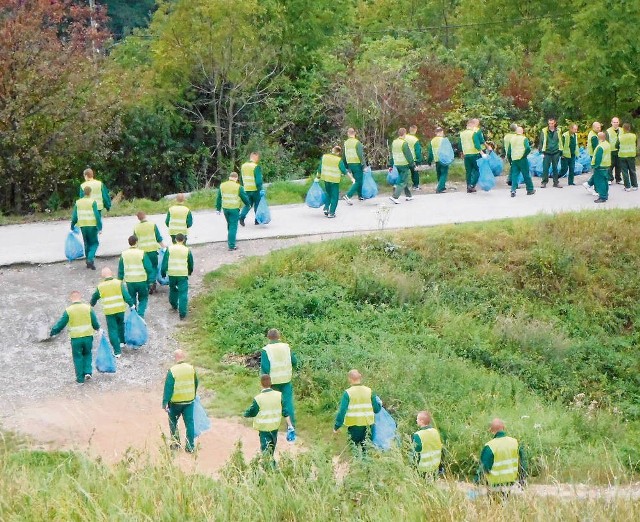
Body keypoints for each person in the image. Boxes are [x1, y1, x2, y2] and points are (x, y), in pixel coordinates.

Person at [49, 290, 100, 384]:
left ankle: (80, 379)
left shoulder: (68, 310)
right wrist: (97, 328)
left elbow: (61, 324)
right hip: (88, 336)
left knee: (77, 357)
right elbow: (95, 322)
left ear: (71, 298)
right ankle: (88, 372)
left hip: (76, 338)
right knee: (88, 354)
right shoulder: (87, 308)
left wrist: (52, 332)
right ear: (80, 297)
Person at [243, 374, 294, 465]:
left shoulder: (258, 398)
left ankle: (271, 469)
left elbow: (252, 412)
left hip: (264, 429)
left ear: (261, 384)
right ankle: (270, 467)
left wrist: (245, 414)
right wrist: (290, 426)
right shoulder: (279, 395)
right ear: (271, 383)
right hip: (275, 427)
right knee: (272, 448)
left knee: (266, 451)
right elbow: (285, 412)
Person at [260, 329, 298, 441]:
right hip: (286, 379)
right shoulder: (286, 347)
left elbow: (265, 368)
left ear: (268, 337)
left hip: (272, 381)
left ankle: (271, 426)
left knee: (272, 403)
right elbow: (294, 361)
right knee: (288, 403)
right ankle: (291, 426)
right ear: (279, 336)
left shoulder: (266, 350)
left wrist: (264, 382)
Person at [90, 267, 134, 358]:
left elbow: (95, 297)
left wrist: (91, 304)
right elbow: (126, 295)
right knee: (121, 325)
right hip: (120, 309)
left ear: (102, 276)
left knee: (112, 330)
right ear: (112, 273)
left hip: (109, 311)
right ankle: (122, 342)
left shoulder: (100, 286)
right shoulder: (118, 283)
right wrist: (131, 304)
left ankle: (117, 352)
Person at [333, 369, 381, 450]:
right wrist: (380, 404)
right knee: (366, 449)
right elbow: (376, 409)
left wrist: (336, 426)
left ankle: (356, 461)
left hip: (354, 427)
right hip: (368, 426)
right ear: (360, 377)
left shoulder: (348, 393)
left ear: (349, 379)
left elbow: (342, 411)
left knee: (355, 449)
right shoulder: (369, 391)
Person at [474, 418, 526, 491]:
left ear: (491, 431)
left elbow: (483, 468)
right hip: (510, 484)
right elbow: (522, 464)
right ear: (504, 428)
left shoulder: (489, 446)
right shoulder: (515, 443)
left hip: (494, 486)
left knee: (494, 502)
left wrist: (476, 482)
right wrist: (522, 480)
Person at [162, 349, 198, 453]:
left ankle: (175, 444)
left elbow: (168, 388)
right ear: (184, 356)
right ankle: (190, 447)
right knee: (190, 424)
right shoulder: (191, 368)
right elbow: (196, 383)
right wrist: (193, 395)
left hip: (175, 403)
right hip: (189, 402)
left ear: (175, 358)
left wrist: (165, 403)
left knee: (173, 422)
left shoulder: (172, 370)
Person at [160, 233, 193, 320]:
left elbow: (165, 262)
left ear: (175, 240)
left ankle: (174, 305)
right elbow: (190, 263)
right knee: (183, 293)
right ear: (183, 240)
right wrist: (189, 271)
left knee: (173, 289)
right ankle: (182, 314)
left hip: (172, 274)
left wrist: (163, 272)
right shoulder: (187, 250)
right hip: (182, 274)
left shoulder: (169, 249)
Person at [118, 235, 153, 317]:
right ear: (137, 242)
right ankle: (140, 315)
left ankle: (134, 315)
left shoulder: (124, 254)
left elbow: (121, 270)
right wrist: (150, 281)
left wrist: (119, 282)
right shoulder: (142, 253)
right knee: (143, 298)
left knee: (132, 298)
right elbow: (148, 268)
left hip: (130, 281)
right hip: (141, 280)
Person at [216, 172, 251, 250]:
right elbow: (244, 197)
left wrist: (218, 209)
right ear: (236, 178)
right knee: (233, 226)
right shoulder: (238, 187)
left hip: (225, 209)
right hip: (234, 209)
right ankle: (231, 245)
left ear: (229, 177)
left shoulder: (222, 185)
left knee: (229, 224)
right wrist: (248, 204)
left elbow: (219, 198)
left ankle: (230, 239)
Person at [134, 212, 166, 295]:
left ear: (138, 218)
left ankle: (148, 285)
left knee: (146, 268)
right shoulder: (152, 225)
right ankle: (152, 282)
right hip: (152, 250)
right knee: (154, 267)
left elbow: (135, 240)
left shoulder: (136, 227)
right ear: (145, 216)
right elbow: (158, 237)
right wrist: (163, 247)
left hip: (142, 252)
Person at [70, 186, 102, 270]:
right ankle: (90, 259)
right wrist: (100, 227)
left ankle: (87, 262)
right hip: (92, 225)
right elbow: (97, 216)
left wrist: (72, 226)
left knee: (86, 243)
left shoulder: (78, 202)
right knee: (94, 243)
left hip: (83, 226)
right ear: (90, 193)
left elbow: (74, 217)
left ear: (83, 193)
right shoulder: (93, 202)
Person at [317, 145, 351, 218]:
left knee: (328, 194)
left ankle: (326, 208)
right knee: (335, 197)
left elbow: (320, 168)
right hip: (334, 181)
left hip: (326, 179)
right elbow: (344, 171)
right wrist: (352, 178)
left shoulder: (324, 157)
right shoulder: (338, 160)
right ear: (338, 153)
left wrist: (318, 177)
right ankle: (331, 213)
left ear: (332, 150)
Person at [388, 128, 415, 204]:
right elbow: (408, 155)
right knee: (403, 181)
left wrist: (391, 164)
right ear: (404, 134)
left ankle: (408, 195)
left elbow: (392, 154)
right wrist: (412, 164)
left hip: (397, 163)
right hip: (404, 164)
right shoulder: (404, 143)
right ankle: (395, 197)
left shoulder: (394, 142)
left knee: (402, 179)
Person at [412, 411, 444, 476]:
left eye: (417, 419)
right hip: (436, 465)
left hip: (423, 467)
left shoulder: (417, 435)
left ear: (422, 421)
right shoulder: (435, 431)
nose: (416, 420)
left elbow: (416, 452)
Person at [507, 126, 535, 197]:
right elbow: (528, 148)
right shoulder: (524, 138)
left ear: (516, 131)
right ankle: (530, 189)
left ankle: (513, 190)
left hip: (514, 159)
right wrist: (525, 155)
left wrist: (510, 160)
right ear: (522, 132)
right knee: (526, 174)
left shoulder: (512, 139)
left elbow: (509, 152)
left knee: (514, 175)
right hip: (522, 159)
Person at [459, 119, 485, 193]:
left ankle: (468, 186)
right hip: (474, 154)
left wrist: (461, 153)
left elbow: (460, 145)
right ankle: (472, 185)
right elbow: (476, 144)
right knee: (477, 170)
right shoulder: (473, 133)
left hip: (466, 154)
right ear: (472, 125)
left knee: (468, 171)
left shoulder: (462, 134)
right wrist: (482, 153)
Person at [239, 152, 264, 226]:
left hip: (246, 189)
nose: (258, 159)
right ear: (255, 157)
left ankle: (242, 217)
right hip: (255, 189)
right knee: (257, 204)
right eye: (257, 157)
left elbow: (241, 178)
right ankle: (257, 220)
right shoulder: (256, 166)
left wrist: (243, 186)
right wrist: (260, 189)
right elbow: (258, 181)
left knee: (248, 204)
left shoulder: (243, 166)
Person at [342, 128, 366, 204]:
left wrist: (345, 165)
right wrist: (364, 165)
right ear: (355, 133)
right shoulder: (357, 143)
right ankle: (348, 195)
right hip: (357, 163)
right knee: (358, 181)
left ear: (348, 134)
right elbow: (360, 155)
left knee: (359, 180)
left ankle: (360, 196)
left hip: (350, 163)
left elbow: (344, 154)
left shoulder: (346, 143)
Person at [539, 118, 563, 188]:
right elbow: (541, 141)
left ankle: (556, 182)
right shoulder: (544, 131)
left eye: (552, 123)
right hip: (546, 152)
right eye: (549, 123)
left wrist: (561, 152)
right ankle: (544, 182)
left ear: (555, 123)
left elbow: (561, 141)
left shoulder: (558, 130)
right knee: (545, 168)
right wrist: (541, 152)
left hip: (556, 151)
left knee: (555, 168)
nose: (551, 125)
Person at [591, 132, 612, 203]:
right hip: (606, 165)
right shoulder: (607, 144)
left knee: (600, 182)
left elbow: (598, 158)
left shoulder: (600, 147)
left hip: (600, 166)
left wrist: (595, 166)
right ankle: (605, 194)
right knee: (605, 181)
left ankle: (602, 197)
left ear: (598, 138)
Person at [427, 127, 449, 193]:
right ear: (441, 132)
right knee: (444, 174)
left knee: (439, 174)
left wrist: (429, 161)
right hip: (444, 159)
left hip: (436, 159)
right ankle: (439, 188)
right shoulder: (444, 140)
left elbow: (430, 152)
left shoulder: (432, 141)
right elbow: (448, 150)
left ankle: (442, 187)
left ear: (435, 133)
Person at [583, 122, 603, 195]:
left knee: (597, 172)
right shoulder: (594, 136)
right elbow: (596, 148)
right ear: (593, 127)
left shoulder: (592, 133)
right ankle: (591, 185)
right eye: (597, 127)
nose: (599, 129)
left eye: (600, 127)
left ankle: (590, 185)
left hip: (592, 155)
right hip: (594, 156)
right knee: (597, 172)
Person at [618, 123, 638, 191]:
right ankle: (635, 185)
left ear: (623, 129)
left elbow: (616, 145)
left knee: (624, 172)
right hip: (631, 155)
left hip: (622, 156)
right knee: (632, 171)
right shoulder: (633, 136)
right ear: (629, 128)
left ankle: (627, 187)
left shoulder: (620, 137)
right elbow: (636, 143)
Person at [405, 125, 423, 190]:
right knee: (414, 173)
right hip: (413, 159)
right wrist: (419, 160)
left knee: (404, 173)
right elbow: (417, 151)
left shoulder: (404, 137)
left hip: (404, 158)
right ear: (415, 130)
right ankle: (415, 186)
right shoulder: (415, 140)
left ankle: (403, 185)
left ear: (409, 130)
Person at [606, 117, 624, 184]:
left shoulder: (622, 130)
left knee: (619, 165)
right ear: (611, 123)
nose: (616, 123)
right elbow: (607, 141)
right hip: (611, 150)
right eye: (614, 122)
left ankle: (618, 179)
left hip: (620, 150)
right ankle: (609, 179)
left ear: (619, 122)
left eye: (617, 122)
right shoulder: (608, 131)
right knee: (610, 165)